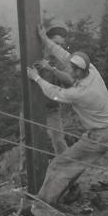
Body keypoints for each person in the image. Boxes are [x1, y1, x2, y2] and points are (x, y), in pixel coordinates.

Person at [25, 50, 108, 207]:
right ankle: (63, 195)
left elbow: (54, 92)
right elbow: (64, 55)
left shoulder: (81, 92)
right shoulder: (92, 71)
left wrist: (36, 77)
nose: (70, 71)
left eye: (73, 69)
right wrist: (46, 43)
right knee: (72, 167)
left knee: (58, 165)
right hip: (105, 132)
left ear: (80, 71)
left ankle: (43, 204)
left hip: (98, 136)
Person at [36, 24, 77, 155]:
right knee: (27, 144)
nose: (58, 48)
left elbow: (70, 80)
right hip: (30, 107)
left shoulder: (61, 62)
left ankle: (67, 171)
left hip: (51, 109)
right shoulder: (34, 54)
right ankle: (26, 174)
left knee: (59, 141)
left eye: (61, 45)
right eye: (55, 43)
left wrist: (52, 69)